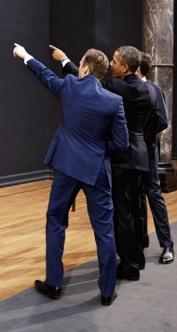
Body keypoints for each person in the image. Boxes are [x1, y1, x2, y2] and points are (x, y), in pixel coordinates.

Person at [12, 42, 129, 306]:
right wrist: (99, 152)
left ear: (85, 68)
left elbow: (45, 75)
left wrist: (25, 55)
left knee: (56, 221)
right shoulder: (114, 101)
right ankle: (107, 291)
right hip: (96, 170)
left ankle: (54, 283)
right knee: (104, 231)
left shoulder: (68, 87)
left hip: (66, 167)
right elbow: (121, 144)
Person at [99, 46, 158, 281]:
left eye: (114, 61)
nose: (111, 65)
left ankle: (129, 266)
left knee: (122, 214)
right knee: (136, 210)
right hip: (141, 156)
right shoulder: (150, 90)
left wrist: (65, 62)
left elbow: (90, 80)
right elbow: (154, 126)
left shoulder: (120, 86)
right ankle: (138, 258)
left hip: (123, 158)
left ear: (125, 67)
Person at [137, 52, 174, 264]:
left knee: (154, 194)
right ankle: (141, 240)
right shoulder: (125, 88)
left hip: (148, 150)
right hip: (130, 153)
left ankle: (167, 244)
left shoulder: (154, 89)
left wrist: (141, 137)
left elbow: (163, 121)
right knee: (136, 196)